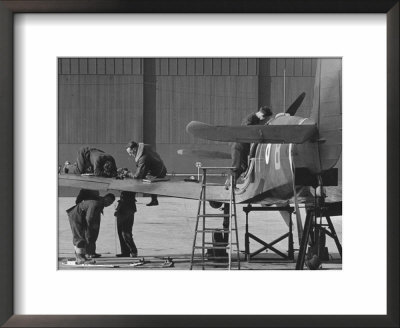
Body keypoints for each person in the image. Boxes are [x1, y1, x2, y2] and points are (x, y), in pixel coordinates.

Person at [66, 193, 116, 263]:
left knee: (82, 235)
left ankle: (80, 256)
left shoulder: (99, 203)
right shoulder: (96, 203)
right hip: (76, 216)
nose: (109, 204)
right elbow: (89, 218)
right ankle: (81, 258)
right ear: (105, 198)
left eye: (111, 203)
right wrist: (89, 229)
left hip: (80, 216)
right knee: (79, 236)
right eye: (109, 201)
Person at [230, 106, 273, 182]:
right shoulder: (251, 118)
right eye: (265, 117)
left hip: (243, 146)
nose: (264, 119)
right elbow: (248, 129)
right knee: (236, 167)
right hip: (239, 146)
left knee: (244, 166)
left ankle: (231, 181)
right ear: (262, 115)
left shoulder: (255, 119)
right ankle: (231, 182)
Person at [126, 141, 167, 206]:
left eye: (130, 152)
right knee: (147, 178)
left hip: (158, 173)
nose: (130, 155)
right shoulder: (145, 147)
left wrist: (127, 173)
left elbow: (138, 176)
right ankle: (154, 200)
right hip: (160, 169)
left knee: (137, 180)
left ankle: (132, 199)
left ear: (134, 149)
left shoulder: (143, 158)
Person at [114, 191, 138, 257]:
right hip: (124, 209)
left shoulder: (129, 190)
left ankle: (132, 250)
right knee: (122, 232)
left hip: (127, 209)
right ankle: (126, 252)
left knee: (125, 232)